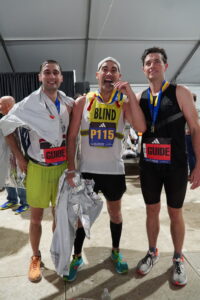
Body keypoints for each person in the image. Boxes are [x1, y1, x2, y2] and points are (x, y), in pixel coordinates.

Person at [66, 57, 146, 282]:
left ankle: (116, 251)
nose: (109, 72)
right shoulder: (83, 101)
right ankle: (77, 256)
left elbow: (140, 128)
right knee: (82, 218)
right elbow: (71, 137)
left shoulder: (123, 102)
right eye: (105, 69)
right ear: (97, 75)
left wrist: (130, 94)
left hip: (114, 171)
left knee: (115, 213)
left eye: (114, 70)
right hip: (87, 171)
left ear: (119, 77)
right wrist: (72, 169)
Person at [0, 60, 74, 282]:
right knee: (36, 218)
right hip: (38, 168)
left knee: (60, 218)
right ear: (40, 77)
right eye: (47, 72)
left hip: (61, 168)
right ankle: (35, 257)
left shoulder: (69, 103)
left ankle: (59, 255)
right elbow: (6, 126)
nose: (51, 76)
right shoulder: (28, 104)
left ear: (61, 78)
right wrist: (20, 158)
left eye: (56, 73)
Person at [136, 47, 200, 286]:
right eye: (148, 63)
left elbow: (195, 129)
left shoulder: (180, 92)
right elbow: (139, 127)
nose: (152, 65)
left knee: (175, 212)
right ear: (143, 69)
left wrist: (198, 165)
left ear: (165, 66)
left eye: (157, 62)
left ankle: (177, 256)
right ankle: (152, 252)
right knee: (151, 210)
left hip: (175, 165)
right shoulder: (142, 96)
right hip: (149, 165)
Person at [0, 96, 29, 214]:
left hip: (18, 154)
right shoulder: (4, 119)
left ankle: (25, 202)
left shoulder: (18, 119)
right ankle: (11, 199)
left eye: (0, 104)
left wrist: (21, 157)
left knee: (20, 178)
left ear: (7, 105)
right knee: (7, 177)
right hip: (5, 155)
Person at [185, 93, 197, 176]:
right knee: (194, 154)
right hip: (194, 134)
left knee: (190, 154)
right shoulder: (195, 109)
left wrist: (187, 130)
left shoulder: (188, 109)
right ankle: (194, 171)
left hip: (189, 134)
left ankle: (192, 172)